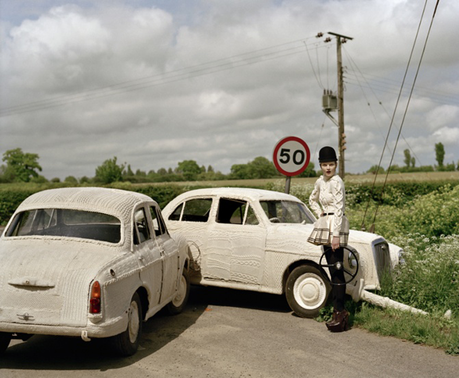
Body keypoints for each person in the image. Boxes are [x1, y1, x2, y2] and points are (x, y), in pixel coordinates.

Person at [308, 146, 349, 332]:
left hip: (336, 225)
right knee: (332, 269)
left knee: (337, 269)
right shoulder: (320, 182)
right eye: (324, 164)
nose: (328, 168)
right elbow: (312, 200)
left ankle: (341, 312)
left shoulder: (337, 182)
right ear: (320, 165)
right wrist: (320, 213)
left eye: (331, 164)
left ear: (336, 165)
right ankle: (336, 311)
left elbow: (339, 208)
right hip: (325, 223)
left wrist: (336, 235)